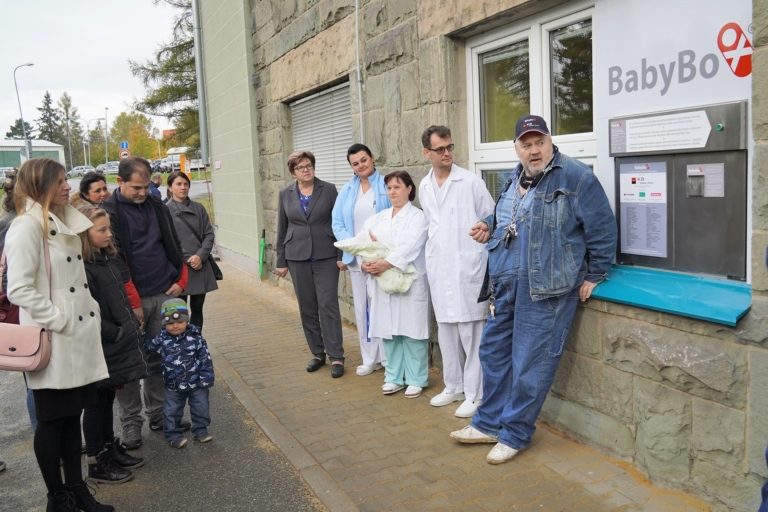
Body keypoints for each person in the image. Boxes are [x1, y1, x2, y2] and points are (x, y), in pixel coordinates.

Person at [450, 115, 617, 465]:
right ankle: (489, 423)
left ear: (550, 142)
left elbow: (601, 226)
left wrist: (596, 273)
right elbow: (509, 217)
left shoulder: (576, 177)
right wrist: (487, 225)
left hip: (546, 289)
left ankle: (515, 433)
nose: (534, 150)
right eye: (526, 144)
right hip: (505, 284)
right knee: (493, 354)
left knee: (531, 363)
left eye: (539, 142)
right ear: (517, 149)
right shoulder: (514, 177)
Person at [5, 158, 112, 511]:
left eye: (67, 180)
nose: (68, 186)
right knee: (51, 422)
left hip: (75, 337)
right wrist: (60, 319)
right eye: (61, 181)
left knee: (70, 418)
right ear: (41, 185)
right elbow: (19, 289)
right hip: (54, 338)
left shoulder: (60, 219)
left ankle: (77, 489)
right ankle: (58, 497)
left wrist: (89, 310)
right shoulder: (26, 227)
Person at [102, 156, 189, 449]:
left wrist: (181, 279)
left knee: (159, 358)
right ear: (120, 182)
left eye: (146, 186)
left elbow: (173, 244)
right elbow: (113, 260)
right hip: (128, 301)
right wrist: (132, 300)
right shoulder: (109, 212)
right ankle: (131, 424)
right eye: (136, 187)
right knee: (129, 363)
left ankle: (159, 414)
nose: (143, 192)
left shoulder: (156, 206)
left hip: (164, 292)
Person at [418, 125, 494, 418]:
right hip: (440, 268)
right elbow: (431, 226)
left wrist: (485, 229)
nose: (447, 153)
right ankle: (454, 386)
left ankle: (476, 394)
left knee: (471, 334)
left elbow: (491, 216)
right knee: (447, 331)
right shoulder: (424, 186)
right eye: (440, 149)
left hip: (467, 268)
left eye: (449, 147)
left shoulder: (470, 182)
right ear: (427, 153)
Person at [78, 205, 148, 484]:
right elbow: (87, 311)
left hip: (113, 344)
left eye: (109, 228)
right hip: (101, 345)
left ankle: (108, 448)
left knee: (106, 400)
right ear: (84, 234)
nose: (109, 234)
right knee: (95, 404)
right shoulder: (84, 268)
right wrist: (115, 333)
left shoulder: (105, 259)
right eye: (102, 230)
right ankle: (97, 461)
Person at [276, 150, 345, 378]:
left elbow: (338, 222)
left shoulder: (329, 189)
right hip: (297, 256)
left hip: (326, 254)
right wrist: (280, 260)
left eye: (308, 165)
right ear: (293, 172)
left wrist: (342, 255)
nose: (305, 170)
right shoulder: (285, 194)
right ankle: (317, 353)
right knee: (307, 307)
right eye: (300, 167)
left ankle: (336, 356)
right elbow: (282, 228)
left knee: (328, 304)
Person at [361, 171, 429, 397]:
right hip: (383, 282)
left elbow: (410, 247)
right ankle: (393, 377)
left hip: (410, 281)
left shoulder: (418, 217)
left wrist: (385, 261)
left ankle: (416, 379)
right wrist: (367, 263)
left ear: (409, 189)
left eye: (397, 187)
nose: (392, 192)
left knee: (412, 332)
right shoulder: (378, 218)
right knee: (389, 332)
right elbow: (364, 242)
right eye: (389, 188)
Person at [332, 143, 390, 376]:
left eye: (364, 160)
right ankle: (369, 358)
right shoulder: (347, 190)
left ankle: (387, 358)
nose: (361, 165)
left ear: (372, 158)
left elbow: (394, 216)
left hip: (380, 258)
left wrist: (377, 246)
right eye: (355, 163)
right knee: (362, 309)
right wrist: (354, 245)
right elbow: (337, 222)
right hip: (357, 258)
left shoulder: (385, 185)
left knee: (382, 307)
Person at [145, 298, 215, 448]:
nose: (175, 326)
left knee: (201, 407)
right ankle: (173, 435)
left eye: (179, 322)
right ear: (164, 324)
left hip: (197, 383)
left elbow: (205, 358)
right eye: (170, 323)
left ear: (186, 321)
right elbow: (147, 348)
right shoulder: (161, 339)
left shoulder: (196, 338)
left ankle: (201, 430)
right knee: (171, 411)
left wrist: (206, 378)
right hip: (173, 385)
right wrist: (140, 334)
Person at [0, 168, 38, 431]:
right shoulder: (16, 225)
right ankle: (43, 434)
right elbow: (12, 278)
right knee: (35, 375)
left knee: (33, 376)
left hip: (25, 307)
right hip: (25, 309)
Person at [165, 171, 218, 330]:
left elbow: (209, 234)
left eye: (185, 184)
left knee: (197, 309)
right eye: (178, 184)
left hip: (199, 266)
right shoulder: (164, 211)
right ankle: (181, 342)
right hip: (178, 268)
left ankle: (196, 340)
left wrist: (200, 256)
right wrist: (187, 258)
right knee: (178, 312)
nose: (183, 187)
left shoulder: (199, 208)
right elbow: (165, 241)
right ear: (170, 187)